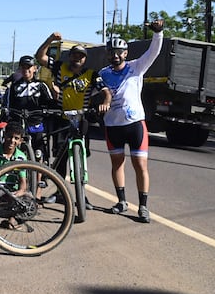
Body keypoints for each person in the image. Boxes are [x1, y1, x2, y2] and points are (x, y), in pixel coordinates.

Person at [98, 20, 164, 223]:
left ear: (126, 53)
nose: (115, 55)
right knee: (117, 164)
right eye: (112, 51)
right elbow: (100, 92)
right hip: (113, 125)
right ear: (108, 53)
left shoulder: (137, 67)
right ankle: (121, 201)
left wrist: (158, 33)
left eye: (119, 51)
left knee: (140, 165)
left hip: (135, 123)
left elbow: (153, 52)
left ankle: (143, 207)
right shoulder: (103, 73)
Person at [35, 33, 108, 209]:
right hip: (61, 119)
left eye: (81, 56)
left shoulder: (91, 75)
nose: (77, 58)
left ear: (85, 59)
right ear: (70, 56)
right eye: (75, 55)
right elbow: (40, 57)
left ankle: (82, 196)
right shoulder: (60, 67)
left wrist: (106, 102)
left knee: (81, 159)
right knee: (60, 159)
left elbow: (105, 90)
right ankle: (60, 192)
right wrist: (50, 40)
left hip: (81, 120)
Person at [3, 55, 55, 161]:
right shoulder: (14, 86)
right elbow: (9, 105)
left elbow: (50, 103)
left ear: (34, 68)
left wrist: (49, 109)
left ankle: (40, 175)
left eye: (28, 67)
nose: (26, 70)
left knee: (39, 152)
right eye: (23, 67)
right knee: (11, 146)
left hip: (36, 122)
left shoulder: (41, 85)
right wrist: (7, 113)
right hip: (18, 122)